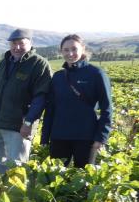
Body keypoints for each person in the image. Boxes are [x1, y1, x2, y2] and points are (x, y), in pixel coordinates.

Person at [0, 28, 52, 173]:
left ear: (30, 43)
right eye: (13, 43)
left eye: (21, 43)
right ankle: (4, 187)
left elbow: (41, 97)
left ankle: (17, 193)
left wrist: (28, 122)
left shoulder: (39, 65)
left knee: (17, 165)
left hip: (19, 126)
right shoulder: (1, 64)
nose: (16, 47)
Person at [41, 34, 113, 167]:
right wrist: (45, 136)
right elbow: (50, 109)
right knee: (56, 179)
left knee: (83, 179)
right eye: (66, 50)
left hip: (86, 137)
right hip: (59, 136)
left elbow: (107, 109)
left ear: (83, 49)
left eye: (74, 49)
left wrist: (101, 137)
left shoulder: (96, 74)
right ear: (61, 51)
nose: (70, 53)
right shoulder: (58, 77)